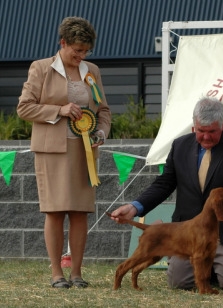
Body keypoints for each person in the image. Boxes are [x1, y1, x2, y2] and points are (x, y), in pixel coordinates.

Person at [110, 97, 223, 291]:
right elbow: (165, 183)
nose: (206, 137)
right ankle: (212, 270)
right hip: (189, 232)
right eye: (201, 131)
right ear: (193, 126)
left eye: (212, 131)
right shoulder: (180, 146)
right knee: (179, 283)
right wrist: (134, 207)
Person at [17, 16, 111, 289]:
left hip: (84, 151)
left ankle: (77, 273)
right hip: (52, 151)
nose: (81, 56)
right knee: (55, 211)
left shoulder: (91, 70)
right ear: (63, 43)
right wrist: (59, 110)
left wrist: (101, 133)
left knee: (80, 211)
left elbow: (103, 110)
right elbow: (24, 108)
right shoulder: (41, 68)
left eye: (86, 51)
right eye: (77, 50)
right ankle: (57, 273)